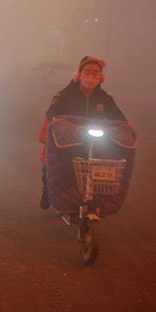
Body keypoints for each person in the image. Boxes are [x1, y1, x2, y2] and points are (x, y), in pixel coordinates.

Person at [38, 55, 126, 209]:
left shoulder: (105, 99)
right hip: (67, 140)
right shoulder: (65, 95)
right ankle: (48, 190)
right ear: (79, 74)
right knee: (49, 166)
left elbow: (120, 119)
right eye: (87, 73)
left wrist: (125, 128)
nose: (91, 77)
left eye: (95, 74)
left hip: (94, 141)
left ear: (101, 78)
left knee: (102, 168)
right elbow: (52, 113)